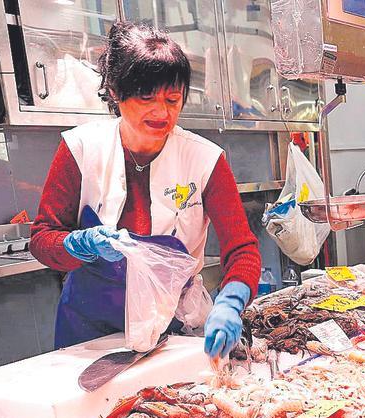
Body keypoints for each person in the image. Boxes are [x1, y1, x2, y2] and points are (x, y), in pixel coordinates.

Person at [30, 21, 260, 358]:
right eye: (146, 97)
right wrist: (77, 245)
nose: (161, 112)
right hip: (88, 330)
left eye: (172, 99)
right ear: (115, 93)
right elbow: (42, 238)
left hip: (172, 325)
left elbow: (242, 249)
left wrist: (232, 301)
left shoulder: (206, 160)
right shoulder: (80, 148)